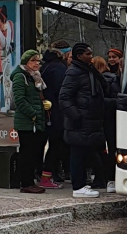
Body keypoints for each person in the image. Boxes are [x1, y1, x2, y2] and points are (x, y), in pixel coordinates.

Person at [59, 43, 109, 198]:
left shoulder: (88, 71)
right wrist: (77, 116)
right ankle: (78, 186)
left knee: (86, 152)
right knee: (78, 154)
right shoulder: (74, 72)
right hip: (80, 122)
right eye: (88, 54)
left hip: (90, 121)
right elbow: (64, 97)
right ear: (79, 56)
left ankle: (83, 183)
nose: (91, 56)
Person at [11, 50, 49, 194]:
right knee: (26, 153)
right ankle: (26, 182)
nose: (37, 64)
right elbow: (20, 100)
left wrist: (44, 104)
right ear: (26, 62)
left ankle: (30, 180)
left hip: (36, 120)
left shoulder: (35, 77)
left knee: (33, 152)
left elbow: (36, 97)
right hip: (27, 122)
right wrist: (33, 114)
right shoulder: (21, 77)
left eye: (38, 61)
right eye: (33, 61)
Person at [39, 40, 70, 188]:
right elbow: (61, 91)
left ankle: (46, 175)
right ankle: (47, 176)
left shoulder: (46, 65)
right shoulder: (58, 68)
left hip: (48, 110)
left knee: (50, 144)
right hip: (56, 111)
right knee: (56, 145)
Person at [93, 56, 120, 193]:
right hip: (110, 120)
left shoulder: (106, 80)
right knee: (111, 150)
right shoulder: (112, 79)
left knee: (105, 149)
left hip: (105, 119)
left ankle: (106, 178)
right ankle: (110, 179)